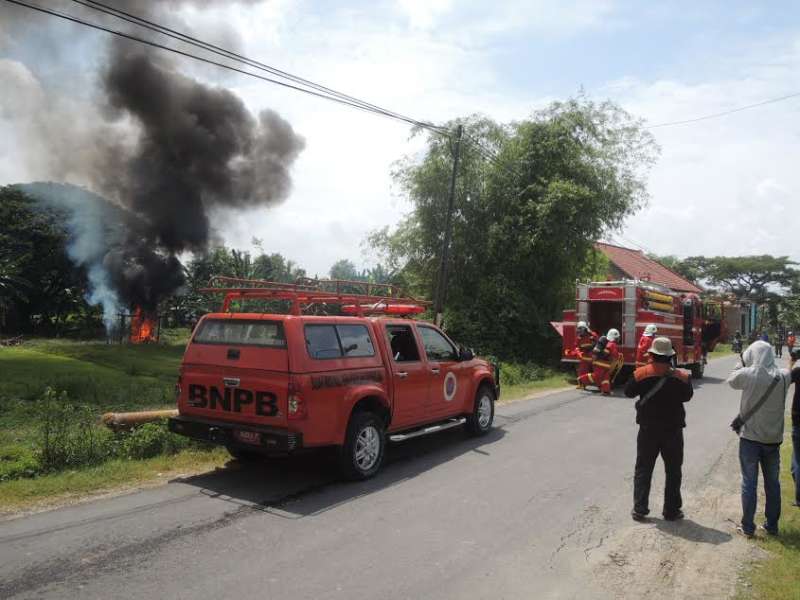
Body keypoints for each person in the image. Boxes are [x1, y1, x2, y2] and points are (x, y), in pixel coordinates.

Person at [624, 337, 693, 521]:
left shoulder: (641, 373)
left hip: (648, 431)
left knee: (643, 469)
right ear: (671, 356)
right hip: (673, 431)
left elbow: (628, 392)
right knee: (673, 471)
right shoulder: (682, 376)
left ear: (652, 354)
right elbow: (687, 397)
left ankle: (640, 509)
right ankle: (671, 511)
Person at [727, 341, 791, 537]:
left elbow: (731, 380)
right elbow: (789, 368)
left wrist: (740, 363)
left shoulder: (748, 374)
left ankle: (748, 527)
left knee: (749, 482)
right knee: (773, 483)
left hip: (750, 439)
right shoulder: (783, 376)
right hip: (773, 439)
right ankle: (772, 526)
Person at [578, 328, 621, 395]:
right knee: (597, 376)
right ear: (614, 337)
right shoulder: (610, 343)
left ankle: (605, 391)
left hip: (605, 364)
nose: (618, 339)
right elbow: (611, 353)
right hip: (600, 364)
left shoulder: (610, 343)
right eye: (617, 338)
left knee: (606, 378)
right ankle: (581, 380)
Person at [790, 347, 800, 508]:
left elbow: (786, 378)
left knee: (797, 462)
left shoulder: (798, 370)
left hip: (798, 419)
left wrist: (792, 361)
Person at [574, 321, 599, 386]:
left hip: (593, 357)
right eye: (579, 329)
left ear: (585, 328)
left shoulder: (592, 335)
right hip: (584, 358)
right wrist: (578, 353)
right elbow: (576, 347)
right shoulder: (579, 338)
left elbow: (598, 341)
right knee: (582, 371)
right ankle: (582, 384)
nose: (580, 331)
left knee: (597, 372)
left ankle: (599, 384)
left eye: (581, 329)